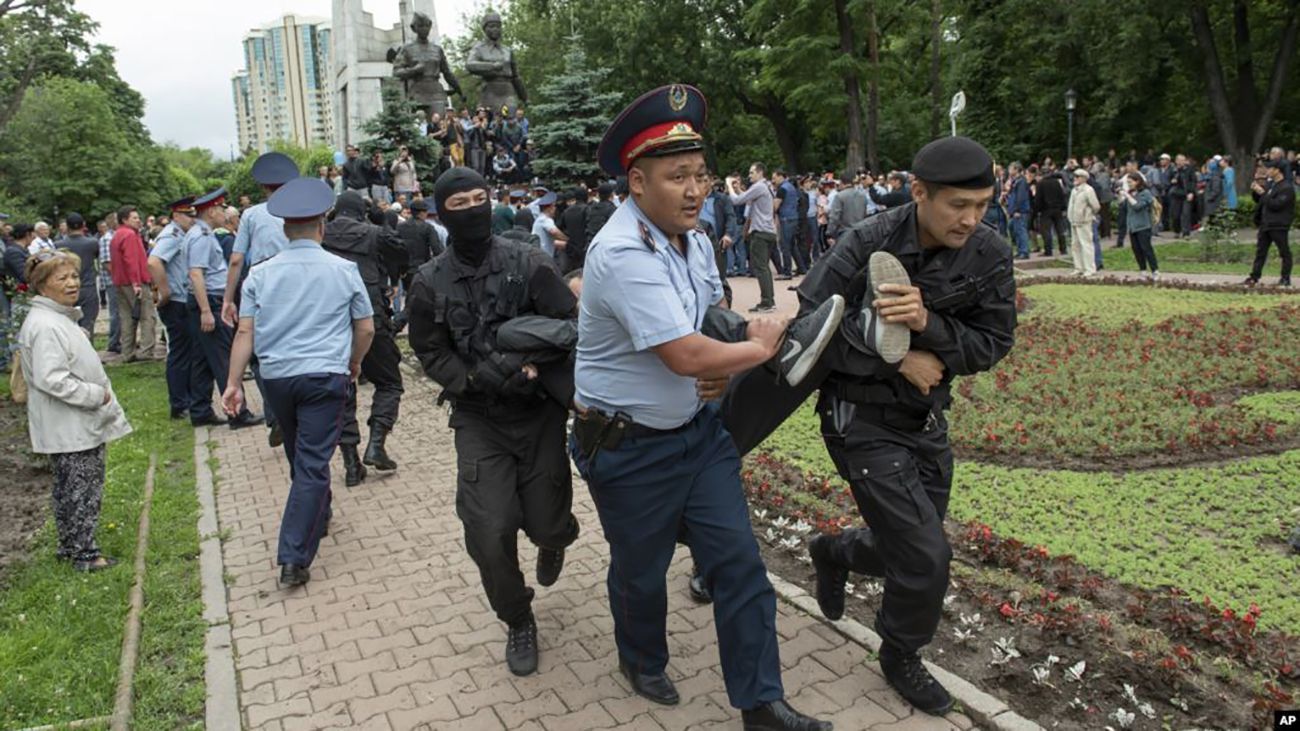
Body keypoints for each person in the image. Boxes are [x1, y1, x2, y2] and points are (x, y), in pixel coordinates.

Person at [719, 136, 1017, 717]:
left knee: (906, 545)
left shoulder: (989, 254)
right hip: (858, 418)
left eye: (982, 205)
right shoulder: (870, 240)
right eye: (958, 205)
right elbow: (812, 321)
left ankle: (833, 552)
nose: (971, 219)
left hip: (925, 417)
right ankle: (900, 653)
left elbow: (993, 342)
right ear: (920, 192)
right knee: (928, 555)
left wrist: (928, 325)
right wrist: (896, 355)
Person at [576, 84, 832, 731]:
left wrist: (722, 362)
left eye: (700, 174)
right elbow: (685, 355)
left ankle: (761, 703)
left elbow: (707, 322)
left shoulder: (691, 238)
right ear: (637, 183)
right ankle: (641, 656)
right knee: (642, 573)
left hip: (698, 437)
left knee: (740, 563)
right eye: (676, 176)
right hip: (628, 448)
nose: (694, 190)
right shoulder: (620, 253)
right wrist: (759, 345)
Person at [405, 167, 582, 678]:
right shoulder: (428, 282)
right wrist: (475, 380)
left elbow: (570, 324)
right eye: (460, 203)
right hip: (479, 419)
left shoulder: (527, 261)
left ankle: (555, 538)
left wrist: (527, 362)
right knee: (488, 527)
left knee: (547, 519)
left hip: (537, 412)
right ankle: (518, 616)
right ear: (443, 214)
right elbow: (428, 350)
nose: (474, 210)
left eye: (481, 198)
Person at [222, 178, 375, 587]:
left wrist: (233, 382)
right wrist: (354, 362)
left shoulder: (260, 274)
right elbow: (366, 327)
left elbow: (244, 333)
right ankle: (293, 557)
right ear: (322, 226)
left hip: (277, 378)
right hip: (326, 375)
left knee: (301, 456)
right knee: (311, 463)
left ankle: (316, 513)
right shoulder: (344, 270)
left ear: (285, 229)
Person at [19, 249, 132, 572]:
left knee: (71, 488)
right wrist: (95, 395)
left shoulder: (56, 319)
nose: (72, 283)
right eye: (61, 278)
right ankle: (84, 554)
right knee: (81, 489)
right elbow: (51, 377)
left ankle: (71, 546)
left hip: (71, 423)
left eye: (73, 276)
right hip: (69, 424)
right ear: (43, 285)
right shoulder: (46, 325)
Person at [322, 192, 407, 484]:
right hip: (372, 318)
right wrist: (383, 221)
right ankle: (376, 444)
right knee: (389, 381)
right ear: (362, 212)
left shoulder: (320, 233)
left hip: (331, 321)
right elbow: (401, 251)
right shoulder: (374, 233)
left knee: (344, 387)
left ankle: (350, 463)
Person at [221, 152, 296, 444]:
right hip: (295, 279)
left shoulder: (251, 214)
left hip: (262, 285)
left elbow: (237, 259)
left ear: (264, 186)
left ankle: (276, 414)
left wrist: (229, 299)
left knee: (260, 350)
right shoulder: (298, 209)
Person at [186, 188, 262, 429]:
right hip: (210, 300)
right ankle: (238, 413)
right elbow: (196, 274)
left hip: (204, 301)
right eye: (220, 208)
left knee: (201, 360)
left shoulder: (199, 233)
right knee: (223, 358)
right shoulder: (201, 236)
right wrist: (207, 310)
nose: (223, 213)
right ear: (210, 211)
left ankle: (199, 409)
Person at [147, 197, 215, 421]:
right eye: (188, 215)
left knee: (186, 352)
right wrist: (164, 291)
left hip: (180, 300)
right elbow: (154, 262)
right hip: (176, 302)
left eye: (194, 215)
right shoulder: (172, 235)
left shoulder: (181, 234)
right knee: (181, 354)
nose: (192, 219)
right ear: (176, 215)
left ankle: (184, 399)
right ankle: (180, 403)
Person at [108, 206, 159, 362]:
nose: (139, 221)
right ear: (125, 220)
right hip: (134, 282)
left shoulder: (117, 235)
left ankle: (127, 352)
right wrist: (136, 283)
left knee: (127, 318)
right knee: (147, 316)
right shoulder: (130, 235)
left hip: (120, 282)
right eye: (135, 218)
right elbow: (131, 261)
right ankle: (146, 352)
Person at [728, 163, 778, 312]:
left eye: (751, 173)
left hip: (760, 232)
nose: (749, 176)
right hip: (768, 231)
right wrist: (738, 189)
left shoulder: (759, 187)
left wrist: (729, 186)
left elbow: (737, 201)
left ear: (760, 172)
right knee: (765, 268)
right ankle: (769, 300)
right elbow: (748, 198)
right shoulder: (766, 186)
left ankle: (767, 302)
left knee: (761, 268)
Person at [1245, 161, 1295, 287]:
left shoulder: (1287, 188)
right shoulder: (1271, 185)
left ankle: (1285, 278)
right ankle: (1254, 277)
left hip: (1278, 224)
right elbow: (1261, 201)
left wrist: (1263, 193)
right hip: (1266, 224)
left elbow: (1276, 204)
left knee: (1284, 252)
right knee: (1260, 252)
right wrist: (1257, 191)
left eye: (1269, 168)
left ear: (1277, 170)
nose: (1267, 171)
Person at [54, 213, 100, 335]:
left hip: (66, 287)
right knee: (87, 325)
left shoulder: (58, 245)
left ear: (67, 227)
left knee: (68, 325)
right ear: (83, 225)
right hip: (87, 287)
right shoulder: (92, 243)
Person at [1120, 172, 1159, 281]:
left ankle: (1155, 270)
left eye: (1130, 182)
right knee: (1136, 250)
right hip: (1133, 227)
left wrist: (1128, 196)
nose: (1129, 184)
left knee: (1146, 249)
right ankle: (1143, 271)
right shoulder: (1130, 193)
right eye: (1127, 183)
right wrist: (1122, 197)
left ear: (1137, 181)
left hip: (1143, 226)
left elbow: (1138, 206)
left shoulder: (1145, 193)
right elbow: (1124, 208)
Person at [1067, 168, 1100, 277]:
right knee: (1075, 245)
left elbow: (1096, 206)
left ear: (1084, 178)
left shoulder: (1088, 190)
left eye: (1077, 177)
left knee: (1086, 244)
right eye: (1075, 176)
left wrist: (1088, 214)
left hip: (1084, 221)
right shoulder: (1074, 190)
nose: (1075, 179)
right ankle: (1078, 267)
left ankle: (1090, 268)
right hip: (1074, 220)